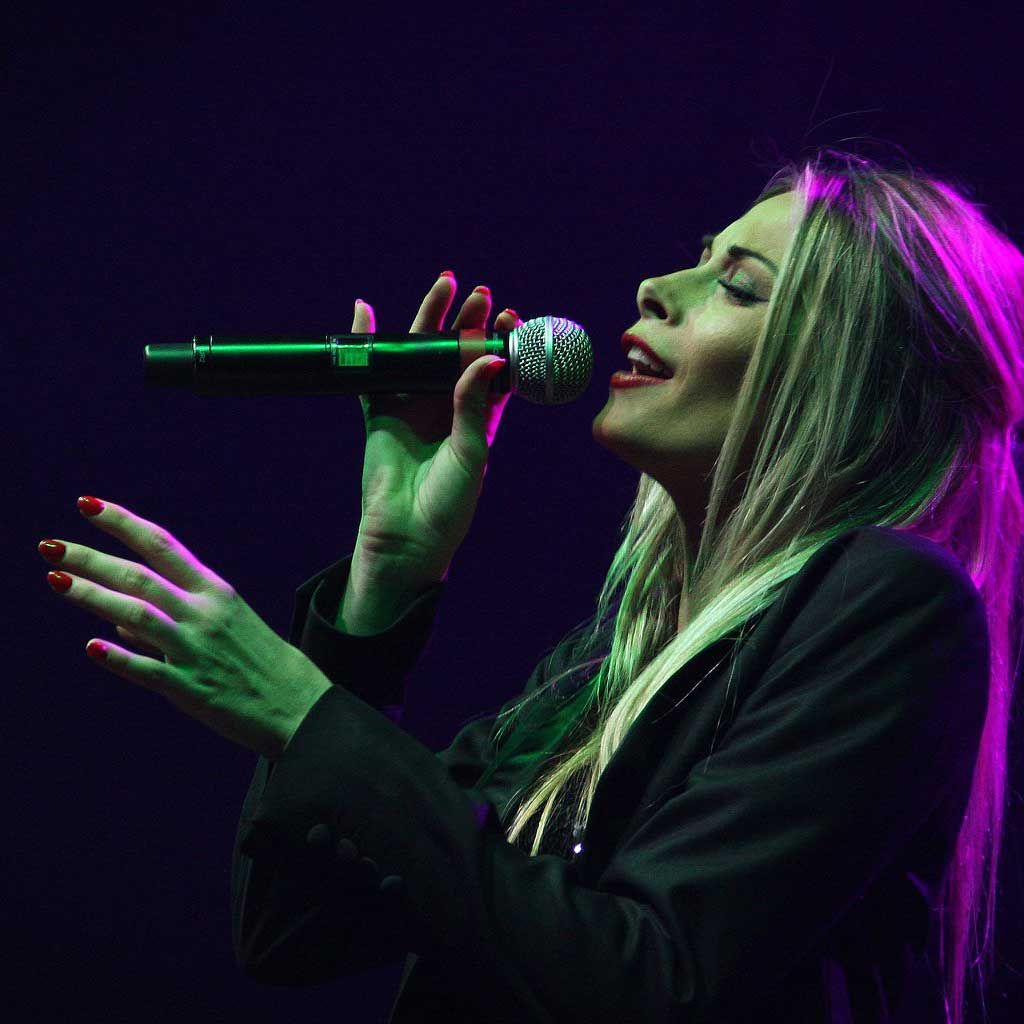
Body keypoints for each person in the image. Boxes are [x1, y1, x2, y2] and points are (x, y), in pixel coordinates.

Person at [230, 147, 1024, 1023]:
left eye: (739, 286)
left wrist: (308, 717)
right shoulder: (599, 674)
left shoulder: (896, 606)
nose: (654, 288)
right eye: (699, 259)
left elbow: (655, 983)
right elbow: (292, 929)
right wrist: (384, 577)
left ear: (852, 382)